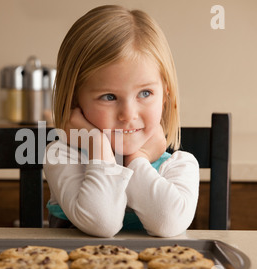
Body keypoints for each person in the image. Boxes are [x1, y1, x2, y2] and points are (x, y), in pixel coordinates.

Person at [43, 5, 199, 238]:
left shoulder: (178, 166)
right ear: (75, 99)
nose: (128, 114)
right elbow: (101, 223)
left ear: (165, 96)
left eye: (145, 93)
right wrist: (98, 145)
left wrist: (138, 160)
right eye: (109, 97)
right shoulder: (62, 157)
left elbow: (168, 224)